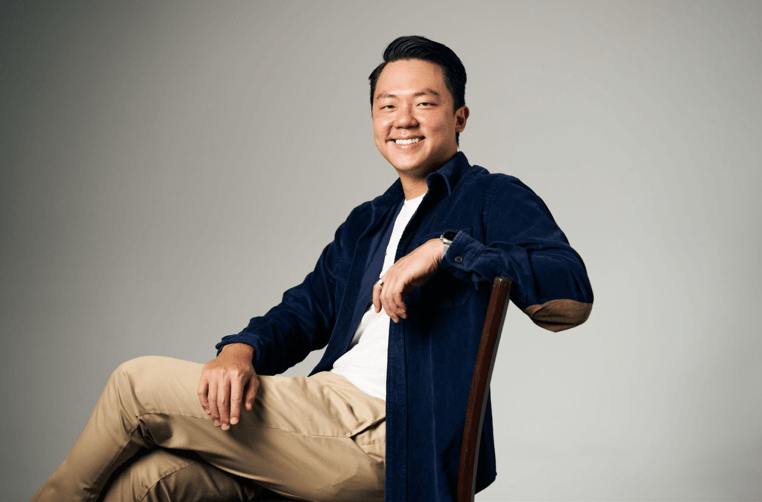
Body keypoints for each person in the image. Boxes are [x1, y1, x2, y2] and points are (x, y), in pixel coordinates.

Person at [32, 36, 593, 502]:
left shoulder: (491, 196)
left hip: (390, 433)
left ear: (459, 116)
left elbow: (571, 293)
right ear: (373, 119)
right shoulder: (368, 223)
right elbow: (305, 310)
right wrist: (241, 348)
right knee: (148, 482)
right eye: (387, 106)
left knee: (134, 386)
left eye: (424, 103)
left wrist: (447, 250)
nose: (403, 119)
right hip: (321, 417)